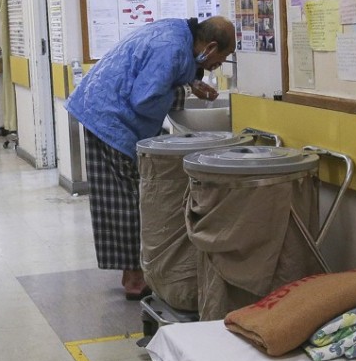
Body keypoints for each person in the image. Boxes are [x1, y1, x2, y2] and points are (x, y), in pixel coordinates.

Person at [65, 16, 234, 299]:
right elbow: (145, 99)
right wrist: (182, 90)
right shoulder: (173, 48)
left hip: (99, 106)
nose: (220, 64)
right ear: (211, 46)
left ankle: (134, 271)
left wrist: (190, 81)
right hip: (109, 118)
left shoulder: (179, 31)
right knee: (131, 198)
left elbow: (159, 74)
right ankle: (134, 278)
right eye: (223, 57)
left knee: (126, 196)